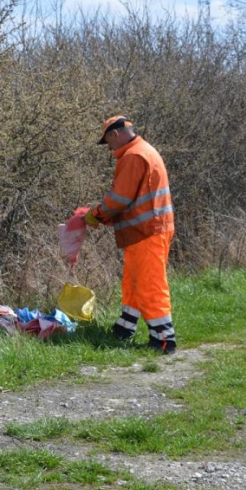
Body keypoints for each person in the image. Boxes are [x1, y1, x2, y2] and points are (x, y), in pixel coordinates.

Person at [84, 115, 176, 354]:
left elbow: (119, 199)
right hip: (147, 230)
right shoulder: (144, 150)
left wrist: (96, 215)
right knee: (134, 281)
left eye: (108, 142)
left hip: (147, 231)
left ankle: (164, 340)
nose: (109, 148)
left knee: (150, 284)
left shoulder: (133, 156)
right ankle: (124, 329)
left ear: (115, 134)